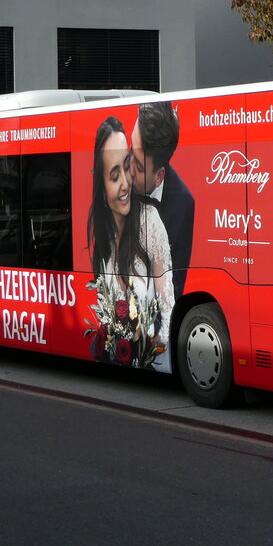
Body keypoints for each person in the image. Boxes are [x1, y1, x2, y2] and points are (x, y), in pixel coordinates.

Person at [87, 116, 173, 370]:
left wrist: (158, 342)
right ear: (102, 188)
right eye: (115, 176)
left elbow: (167, 300)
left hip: (156, 359)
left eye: (127, 166)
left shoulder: (150, 221)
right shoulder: (102, 244)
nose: (126, 183)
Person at [129, 100, 194, 302]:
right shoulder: (114, 178)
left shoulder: (183, 204)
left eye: (138, 167)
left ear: (159, 176)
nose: (127, 167)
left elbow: (173, 288)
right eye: (131, 148)